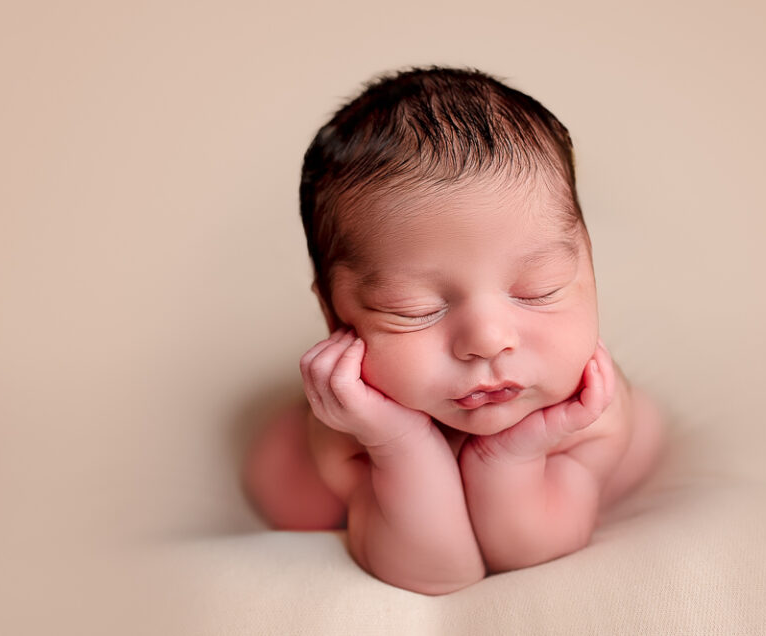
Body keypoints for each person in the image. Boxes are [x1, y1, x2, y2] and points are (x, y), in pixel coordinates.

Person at [242, 66, 665, 595]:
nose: (488, 341)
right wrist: (398, 443)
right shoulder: (350, 431)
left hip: (585, 467)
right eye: (414, 309)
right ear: (335, 317)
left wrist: (513, 454)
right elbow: (435, 574)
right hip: (338, 471)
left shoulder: (589, 411)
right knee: (292, 493)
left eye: (540, 288)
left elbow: (526, 555)